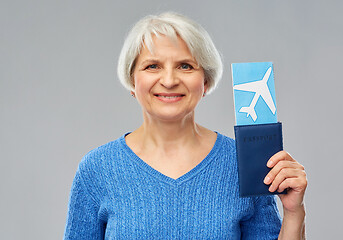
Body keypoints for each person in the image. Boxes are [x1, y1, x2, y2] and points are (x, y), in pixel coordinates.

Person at [64, 12, 307, 239]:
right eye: (152, 66)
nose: (169, 81)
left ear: (206, 81)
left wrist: (294, 213)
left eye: (185, 66)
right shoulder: (97, 169)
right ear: (131, 80)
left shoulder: (244, 163)